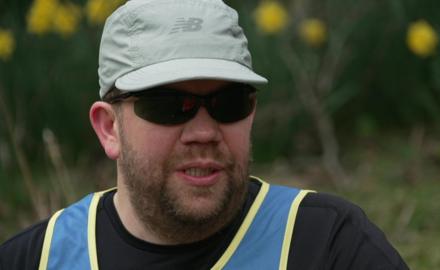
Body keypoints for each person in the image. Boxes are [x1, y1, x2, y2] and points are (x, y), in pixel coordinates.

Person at [0, 0, 409, 269]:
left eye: (228, 102)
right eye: (167, 105)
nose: (203, 132)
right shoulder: (39, 258)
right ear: (110, 129)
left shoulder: (326, 246)